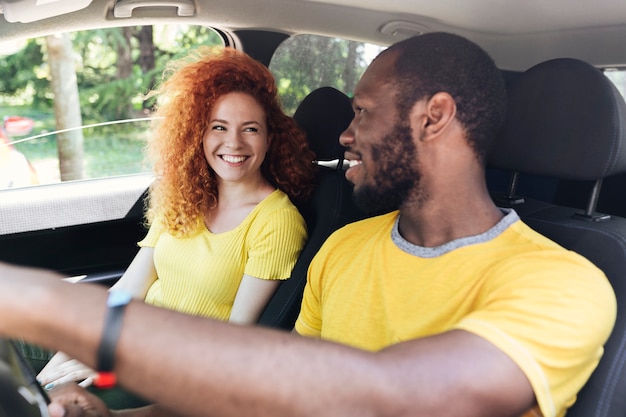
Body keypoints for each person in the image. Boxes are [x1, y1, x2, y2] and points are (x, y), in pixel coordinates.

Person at [0, 32, 616, 417]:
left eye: (363, 113)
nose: (344, 134)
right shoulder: (345, 247)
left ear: (435, 118)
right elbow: (262, 398)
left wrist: (64, 312)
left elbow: (396, 398)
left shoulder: (563, 284)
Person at [31, 46, 316, 395]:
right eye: (219, 127)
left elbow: (234, 340)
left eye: (251, 129)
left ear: (270, 139)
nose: (234, 142)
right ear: (199, 133)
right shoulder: (186, 195)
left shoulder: (277, 221)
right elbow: (126, 290)